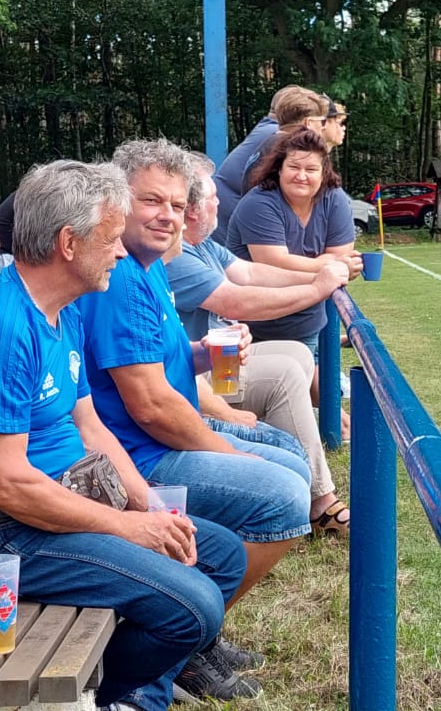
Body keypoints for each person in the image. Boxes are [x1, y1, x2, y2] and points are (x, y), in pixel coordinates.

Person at [0, 160, 245, 711]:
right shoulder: (0, 327)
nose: (120, 252)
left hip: (64, 502)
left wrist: (149, 508)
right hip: (3, 534)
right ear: (68, 243)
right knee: (195, 607)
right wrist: (127, 526)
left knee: (223, 555)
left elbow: (90, 427)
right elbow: (4, 484)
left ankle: (135, 694)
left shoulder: (61, 310)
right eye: (111, 238)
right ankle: (126, 698)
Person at [75, 139, 314, 700]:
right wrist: (225, 447)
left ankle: (198, 633)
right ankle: (185, 642)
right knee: (284, 495)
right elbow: (151, 408)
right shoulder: (120, 277)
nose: (169, 216)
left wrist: (202, 354)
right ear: (117, 202)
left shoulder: (149, 266)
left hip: (154, 439)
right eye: (152, 201)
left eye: (178, 205)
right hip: (138, 457)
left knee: (288, 455)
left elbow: (154, 361)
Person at [165, 154, 352, 537]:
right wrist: (317, 288)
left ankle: (290, 455)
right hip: (192, 382)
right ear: (193, 209)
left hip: (202, 364)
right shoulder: (176, 255)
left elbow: (251, 272)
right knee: (284, 374)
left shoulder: (202, 245)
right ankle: (320, 503)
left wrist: (321, 272)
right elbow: (234, 300)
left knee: (297, 354)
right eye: (212, 196)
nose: (220, 202)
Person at [225, 128, 363, 360]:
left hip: (309, 321)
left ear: (323, 172)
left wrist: (335, 266)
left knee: (318, 380)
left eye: (311, 169)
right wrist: (331, 267)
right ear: (279, 168)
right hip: (254, 330)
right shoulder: (259, 203)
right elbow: (273, 262)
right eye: (294, 167)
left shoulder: (334, 198)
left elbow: (342, 255)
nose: (301, 175)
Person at [211, 86, 335, 241]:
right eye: (322, 121)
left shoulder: (271, 136)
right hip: (242, 226)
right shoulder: (284, 145)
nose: (323, 127)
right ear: (308, 122)